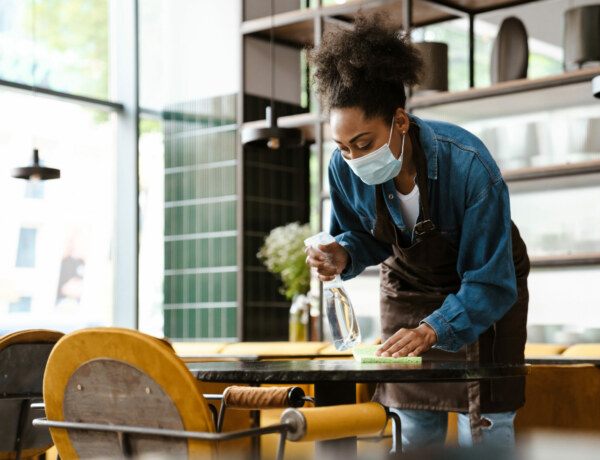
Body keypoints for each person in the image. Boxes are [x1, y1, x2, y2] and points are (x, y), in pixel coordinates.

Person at [305, 14, 530, 452]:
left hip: (487, 286)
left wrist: (433, 329)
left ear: (401, 122)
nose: (353, 158)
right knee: (411, 421)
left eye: (365, 143)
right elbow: (362, 235)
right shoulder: (342, 168)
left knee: (484, 424)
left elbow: (489, 280)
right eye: (343, 147)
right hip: (407, 287)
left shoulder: (471, 168)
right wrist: (341, 255)